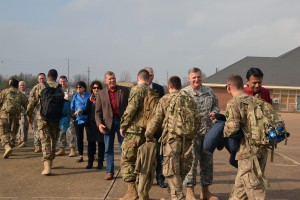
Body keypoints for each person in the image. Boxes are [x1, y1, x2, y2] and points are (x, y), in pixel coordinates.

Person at [145, 76, 194, 200]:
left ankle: (178, 196)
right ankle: (173, 193)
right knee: (181, 169)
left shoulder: (165, 99)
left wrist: (148, 134)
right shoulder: (189, 99)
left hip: (172, 141)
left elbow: (156, 120)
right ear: (180, 87)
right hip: (187, 141)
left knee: (171, 170)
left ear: (169, 86)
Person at [224, 75, 268, 199]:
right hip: (262, 149)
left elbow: (232, 128)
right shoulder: (255, 100)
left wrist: (222, 129)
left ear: (229, 87)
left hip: (248, 153)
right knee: (240, 188)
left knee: (255, 190)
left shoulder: (234, 102)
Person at [183, 67, 219, 200]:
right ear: (189, 78)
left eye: (198, 77)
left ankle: (205, 191)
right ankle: (189, 191)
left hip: (208, 134)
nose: (197, 79)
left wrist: (214, 113)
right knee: (191, 163)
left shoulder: (209, 91)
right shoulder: (184, 93)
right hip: (191, 135)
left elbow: (216, 106)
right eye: (194, 77)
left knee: (207, 163)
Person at [119, 69, 150, 200]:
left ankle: (132, 192)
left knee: (127, 160)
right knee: (144, 162)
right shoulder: (152, 91)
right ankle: (143, 192)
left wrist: (123, 124)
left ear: (138, 78)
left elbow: (131, 108)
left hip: (134, 132)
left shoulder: (137, 90)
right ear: (148, 79)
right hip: (147, 132)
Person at [95, 71, 130, 180]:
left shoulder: (124, 90)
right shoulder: (101, 94)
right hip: (107, 124)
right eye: (110, 79)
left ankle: (125, 171)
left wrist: (128, 122)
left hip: (121, 123)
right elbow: (98, 112)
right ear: (106, 80)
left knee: (123, 148)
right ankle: (110, 171)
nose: (112, 80)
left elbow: (129, 107)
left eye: (113, 78)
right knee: (108, 149)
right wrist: (100, 124)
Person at [27, 69, 61, 175]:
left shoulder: (39, 86)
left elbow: (32, 102)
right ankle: (51, 160)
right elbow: (65, 104)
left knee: (45, 140)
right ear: (56, 76)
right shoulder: (60, 87)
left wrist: (29, 115)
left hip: (43, 118)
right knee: (53, 140)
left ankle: (47, 167)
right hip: (56, 118)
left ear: (48, 76)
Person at [144, 66, 168, 188]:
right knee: (145, 155)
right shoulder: (138, 89)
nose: (150, 77)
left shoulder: (159, 88)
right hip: (144, 128)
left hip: (157, 128)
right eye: (147, 74)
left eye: (151, 75)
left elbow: (163, 106)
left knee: (159, 155)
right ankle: (145, 179)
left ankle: (160, 178)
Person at [0, 78, 28, 159]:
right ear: (17, 85)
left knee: (3, 133)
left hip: (4, 115)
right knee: (13, 133)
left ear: (10, 84)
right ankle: (11, 147)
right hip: (16, 116)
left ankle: (7, 147)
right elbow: (27, 105)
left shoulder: (4, 92)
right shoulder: (21, 94)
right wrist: (30, 115)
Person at [80, 80, 105, 169]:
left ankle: (100, 163)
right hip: (90, 124)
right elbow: (87, 111)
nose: (96, 89)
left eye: (98, 87)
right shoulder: (90, 99)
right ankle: (90, 162)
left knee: (101, 143)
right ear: (92, 89)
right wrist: (81, 111)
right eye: (94, 88)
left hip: (100, 124)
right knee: (91, 144)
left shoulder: (104, 99)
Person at [55, 76, 77, 157]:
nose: (62, 83)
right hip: (61, 115)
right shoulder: (57, 91)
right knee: (61, 132)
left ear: (67, 81)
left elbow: (76, 101)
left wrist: (70, 99)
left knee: (71, 132)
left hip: (70, 114)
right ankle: (61, 149)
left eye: (64, 81)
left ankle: (73, 149)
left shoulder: (73, 90)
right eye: (61, 81)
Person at [71, 81, 90, 163]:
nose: (78, 89)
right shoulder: (75, 97)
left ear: (84, 88)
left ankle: (91, 155)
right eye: (77, 87)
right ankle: (81, 156)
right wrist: (73, 115)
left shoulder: (89, 96)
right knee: (79, 138)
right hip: (78, 120)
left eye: (80, 87)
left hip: (88, 119)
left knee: (90, 138)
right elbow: (71, 109)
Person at [31, 73, 46, 153]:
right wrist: (29, 113)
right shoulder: (35, 88)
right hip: (37, 113)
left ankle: (46, 146)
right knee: (36, 130)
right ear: (38, 79)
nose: (41, 80)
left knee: (46, 130)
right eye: (40, 78)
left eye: (43, 78)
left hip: (47, 113)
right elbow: (31, 101)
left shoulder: (49, 87)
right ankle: (37, 146)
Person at [16, 81, 29, 148]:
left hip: (25, 113)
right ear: (18, 86)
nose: (22, 86)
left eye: (23, 85)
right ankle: (19, 139)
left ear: (25, 86)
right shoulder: (16, 93)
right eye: (20, 85)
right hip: (17, 113)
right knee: (18, 127)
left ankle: (23, 141)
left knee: (24, 127)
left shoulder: (28, 93)